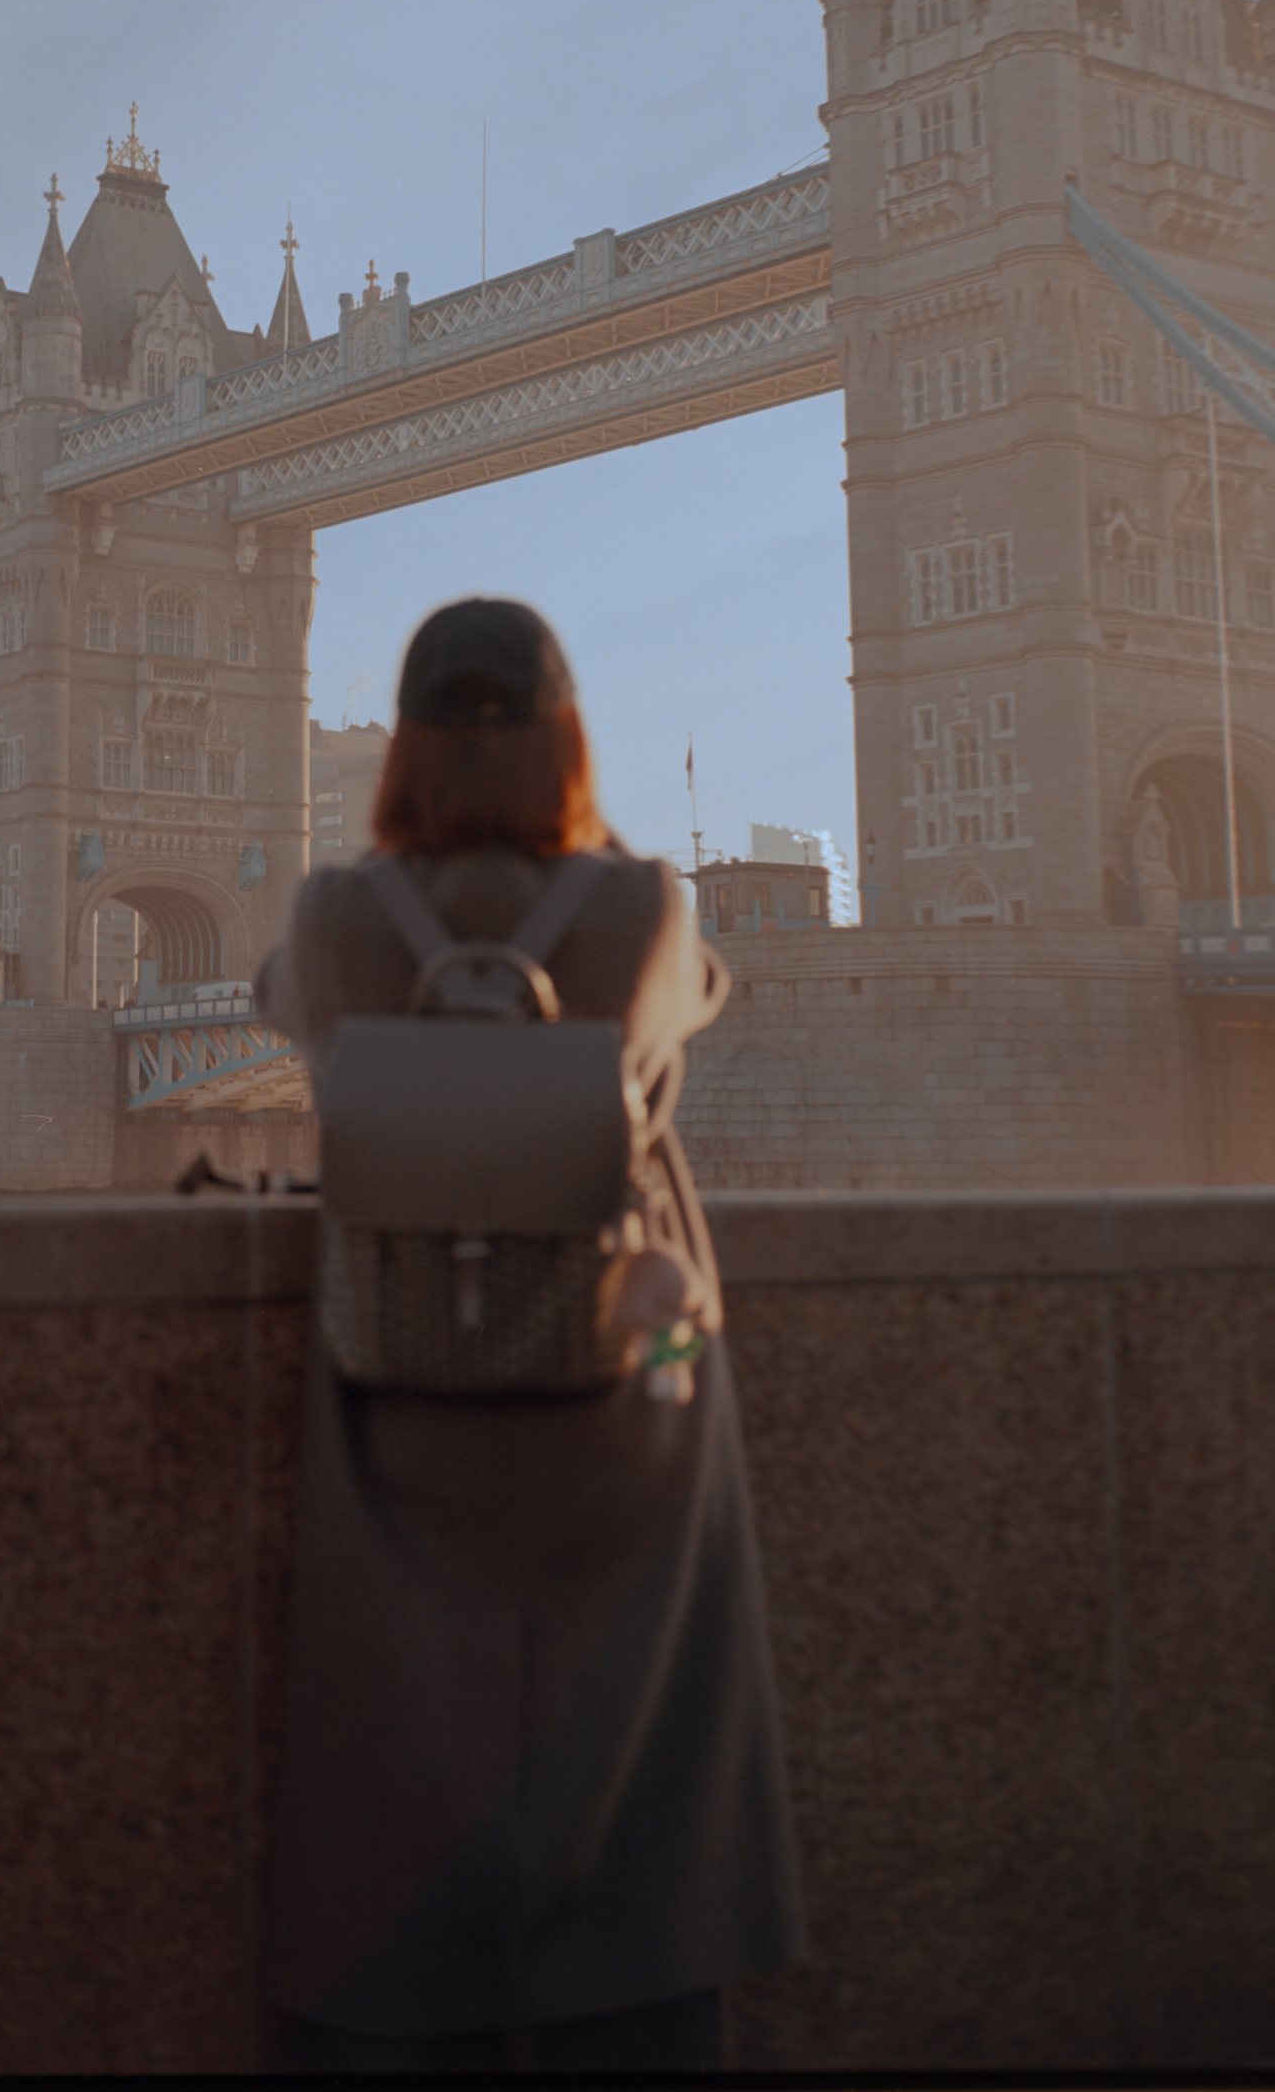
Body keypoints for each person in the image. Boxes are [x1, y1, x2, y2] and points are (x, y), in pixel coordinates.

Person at [257, 598, 802, 2075]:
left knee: (395, 1767)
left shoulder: (334, 915)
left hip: (396, 1396)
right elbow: (701, 997)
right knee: (641, 1780)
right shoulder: (639, 910)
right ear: (567, 736)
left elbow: (272, 1004)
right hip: (634, 1387)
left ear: (407, 747)